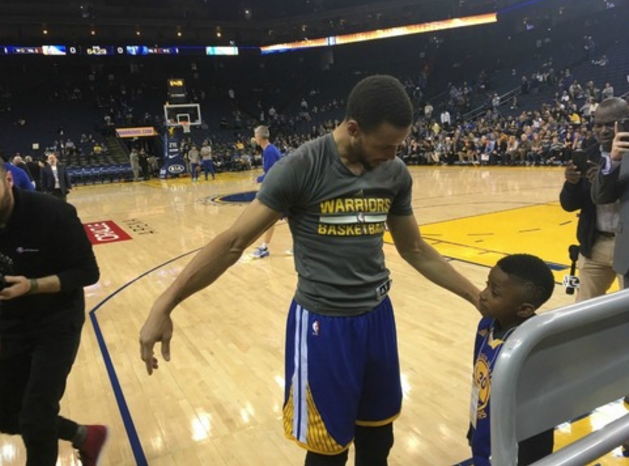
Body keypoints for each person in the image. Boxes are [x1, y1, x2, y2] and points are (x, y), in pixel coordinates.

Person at [140, 75, 480, 466]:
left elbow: (415, 248)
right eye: (385, 145)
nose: (393, 155)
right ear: (354, 129)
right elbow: (233, 242)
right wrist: (165, 303)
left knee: (378, 440)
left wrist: (476, 297)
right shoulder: (301, 167)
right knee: (327, 453)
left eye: (398, 146)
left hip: (377, 319)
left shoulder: (394, 173)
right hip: (323, 326)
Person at [0, 160, 107, 466]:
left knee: (36, 417)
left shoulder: (53, 213)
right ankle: (85, 435)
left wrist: (32, 286)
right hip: (10, 321)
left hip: (56, 320)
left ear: (9, 180)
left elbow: (87, 272)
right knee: (7, 415)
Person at [469, 254, 555, 466]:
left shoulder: (532, 347)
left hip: (516, 450)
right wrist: (473, 426)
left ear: (524, 309)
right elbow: (480, 380)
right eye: (487, 285)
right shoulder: (486, 325)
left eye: (494, 292)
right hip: (484, 429)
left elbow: (539, 412)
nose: (483, 295)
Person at [559, 98, 625, 301]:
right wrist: (571, 183)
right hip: (595, 243)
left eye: (610, 124)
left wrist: (606, 178)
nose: (603, 131)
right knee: (583, 308)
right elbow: (569, 205)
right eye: (598, 125)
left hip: (626, 244)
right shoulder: (588, 155)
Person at [250, 125, 283, 259]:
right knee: (278, 219)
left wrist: (258, 179)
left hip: (277, 189)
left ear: (258, 137)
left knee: (269, 219)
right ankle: (264, 247)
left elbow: (271, 173)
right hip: (279, 188)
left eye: (255, 135)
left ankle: (264, 248)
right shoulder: (269, 150)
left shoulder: (269, 151)